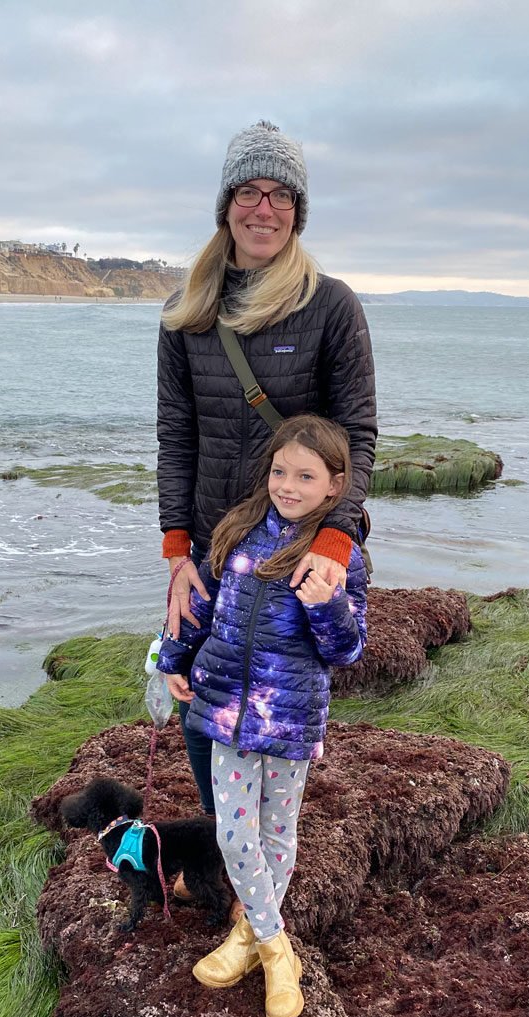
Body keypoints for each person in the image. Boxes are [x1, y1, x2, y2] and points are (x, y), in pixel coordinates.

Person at [157, 119, 377, 825]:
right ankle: (233, 870)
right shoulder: (186, 312)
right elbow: (177, 435)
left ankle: (261, 887)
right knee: (197, 710)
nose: (264, 209)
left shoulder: (331, 305)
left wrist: (334, 546)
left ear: (298, 211)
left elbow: (359, 437)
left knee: (278, 724)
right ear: (225, 204)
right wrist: (175, 553)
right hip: (211, 550)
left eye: (281, 195)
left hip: (292, 551)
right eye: (249, 191)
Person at [157, 414, 367, 1017]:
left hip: (292, 717)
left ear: (335, 485)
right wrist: (173, 657)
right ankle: (278, 951)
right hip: (224, 706)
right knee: (232, 830)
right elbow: (198, 599)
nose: (288, 485)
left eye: (306, 476)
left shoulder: (338, 558)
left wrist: (327, 606)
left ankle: (246, 938)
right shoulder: (237, 531)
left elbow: (347, 650)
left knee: (277, 832)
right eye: (280, 471)